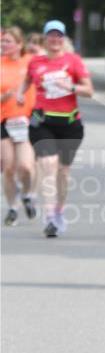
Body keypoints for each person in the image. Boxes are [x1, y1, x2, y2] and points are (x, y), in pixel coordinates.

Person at [17, 20, 93, 238]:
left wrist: (71, 86)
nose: (55, 39)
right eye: (51, 35)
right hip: (42, 123)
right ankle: (49, 216)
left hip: (70, 125)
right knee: (47, 165)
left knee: (63, 172)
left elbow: (89, 90)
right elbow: (27, 80)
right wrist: (22, 93)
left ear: (64, 39)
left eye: (59, 36)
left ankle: (59, 209)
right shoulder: (36, 62)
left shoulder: (73, 61)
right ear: (45, 38)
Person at [1, 26, 37, 226]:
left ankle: (26, 194)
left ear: (19, 44)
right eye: (2, 41)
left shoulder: (30, 62)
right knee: (8, 168)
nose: (4, 45)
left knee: (26, 167)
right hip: (4, 121)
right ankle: (12, 207)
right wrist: (2, 97)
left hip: (25, 121)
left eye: (8, 41)